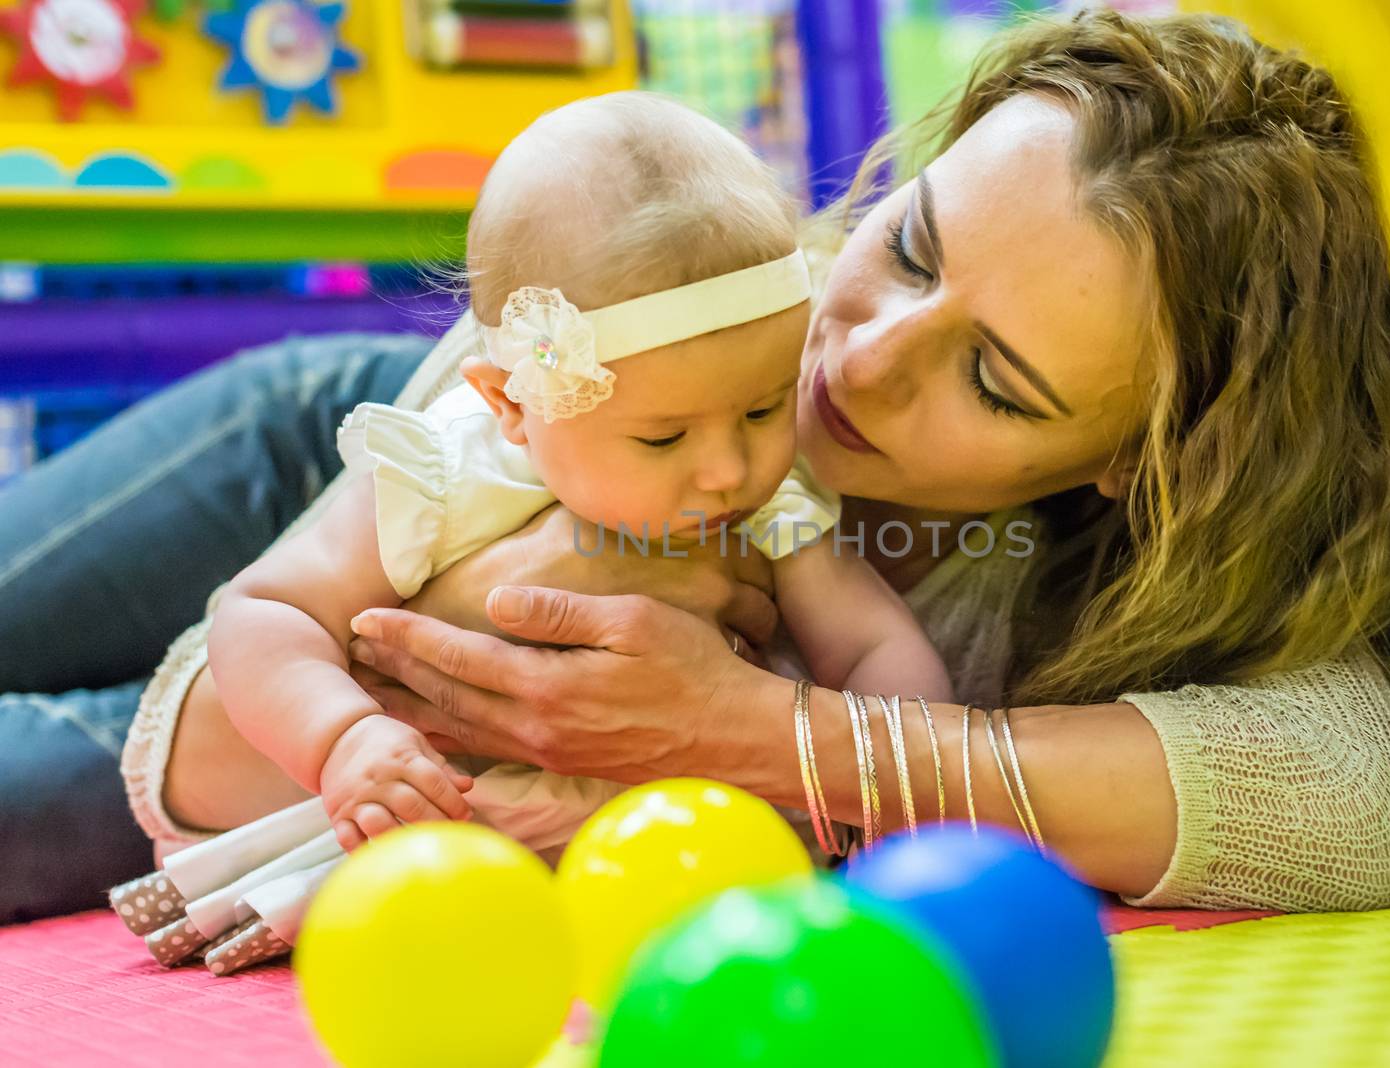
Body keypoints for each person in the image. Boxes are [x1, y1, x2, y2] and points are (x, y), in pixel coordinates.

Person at [0, 8, 1390, 923]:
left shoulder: (1057, 597)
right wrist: (470, 634)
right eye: (912, 245)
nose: (853, 359)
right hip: (341, 483)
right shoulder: (651, 299)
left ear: (1138, 460)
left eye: (995, 381)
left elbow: (1356, 805)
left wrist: (752, 731)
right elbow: (234, 670)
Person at [209, 93, 949, 854]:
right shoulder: (443, 479)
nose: (731, 470)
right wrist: (344, 738)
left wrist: (893, 795)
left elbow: (872, 648)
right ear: (513, 405)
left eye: (763, 410)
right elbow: (265, 612)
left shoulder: (778, 511)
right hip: (447, 861)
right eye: (663, 439)